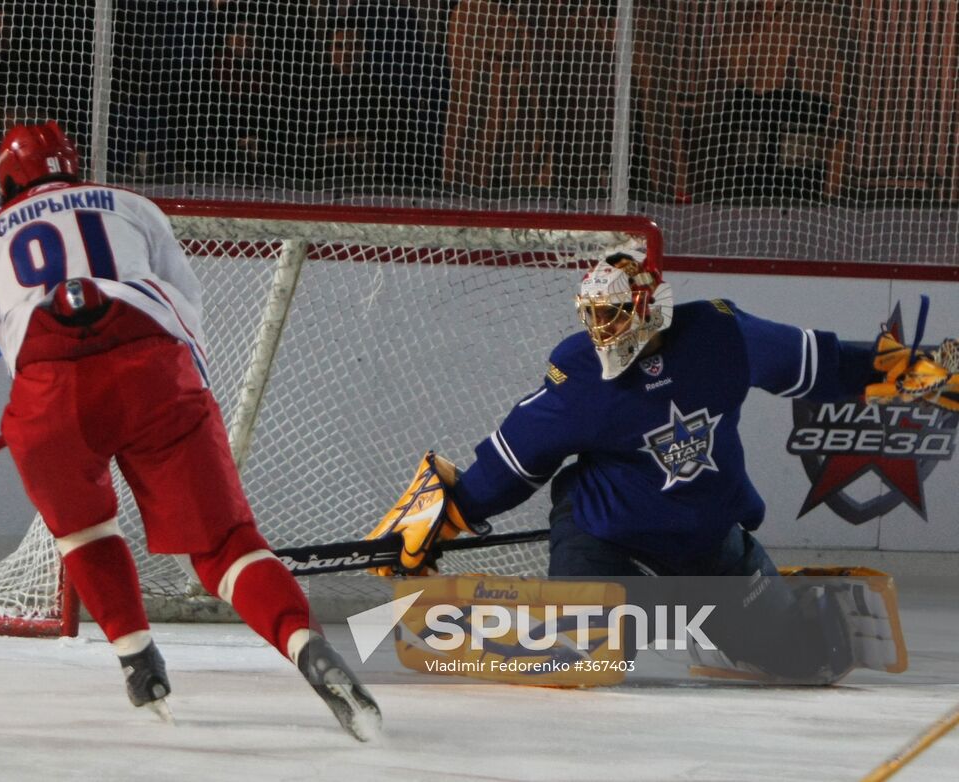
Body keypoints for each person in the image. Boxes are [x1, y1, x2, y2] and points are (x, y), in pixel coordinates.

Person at [0, 120, 380, 740]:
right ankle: (306, 646)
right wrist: (144, 386)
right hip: (156, 374)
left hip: (51, 395)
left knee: (84, 526)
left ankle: (138, 659)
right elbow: (183, 311)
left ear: (5, 182)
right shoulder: (134, 207)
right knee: (226, 545)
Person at [373, 250, 955, 683]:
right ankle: (509, 617)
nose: (600, 331)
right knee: (590, 652)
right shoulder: (578, 375)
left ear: (648, 308)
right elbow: (511, 467)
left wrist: (907, 371)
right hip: (606, 539)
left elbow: (820, 364)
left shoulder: (721, 335)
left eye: (613, 314)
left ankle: (763, 602)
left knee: (811, 659)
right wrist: (445, 519)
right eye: (593, 315)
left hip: (706, 541)